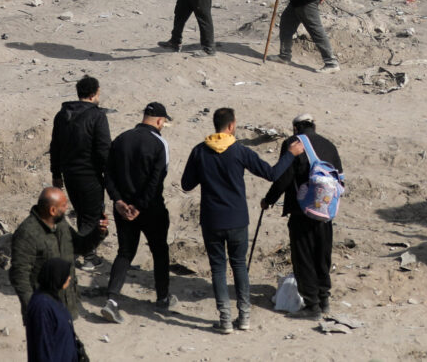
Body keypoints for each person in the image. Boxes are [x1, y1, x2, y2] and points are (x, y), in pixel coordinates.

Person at [180, 108, 304, 334]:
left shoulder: (199, 151)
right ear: (231, 126)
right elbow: (272, 173)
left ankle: (225, 320)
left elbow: (186, 184)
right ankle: (244, 316)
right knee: (239, 265)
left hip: (211, 220)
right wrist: (291, 154)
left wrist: (206, 173)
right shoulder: (239, 151)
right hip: (237, 219)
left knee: (218, 269)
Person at [261, 114, 342, 321]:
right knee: (322, 255)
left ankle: (312, 306)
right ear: (314, 126)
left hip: (301, 211)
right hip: (325, 212)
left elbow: (284, 177)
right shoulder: (329, 145)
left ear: (296, 128)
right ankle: (324, 300)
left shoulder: (293, 143)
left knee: (303, 257)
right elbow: (339, 178)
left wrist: (269, 199)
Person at [103, 103, 173, 321]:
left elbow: (108, 175)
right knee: (159, 251)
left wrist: (118, 201)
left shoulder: (121, 139)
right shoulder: (159, 143)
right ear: (160, 121)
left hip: (123, 209)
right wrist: (140, 206)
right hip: (150, 208)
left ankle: (112, 300)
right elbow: (156, 180)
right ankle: (162, 298)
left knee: (125, 252)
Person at [10, 187, 99, 320]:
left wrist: (99, 233)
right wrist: (34, 310)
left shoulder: (61, 224)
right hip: (44, 311)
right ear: (52, 210)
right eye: (63, 205)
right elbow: (20, 276)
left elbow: (79, 247)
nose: (67, 208)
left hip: (67, 306)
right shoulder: (27, 234)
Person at [49, 76, 111, 264]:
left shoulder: (63, 114)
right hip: (90, 176)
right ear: (94, 94)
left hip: (69, 175)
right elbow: (103, 149)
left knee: (83, 214)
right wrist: (110, 175)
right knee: (92, 215)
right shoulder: (97, 116)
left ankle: (82, 252)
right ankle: (88, 256)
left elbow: (55, 146)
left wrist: (56, 174)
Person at [23, 258, 79, 362]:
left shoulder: (53, 298)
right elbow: (43, 347)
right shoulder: (42, 307)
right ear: (56, 277)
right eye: (66, 275)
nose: (69, 278)